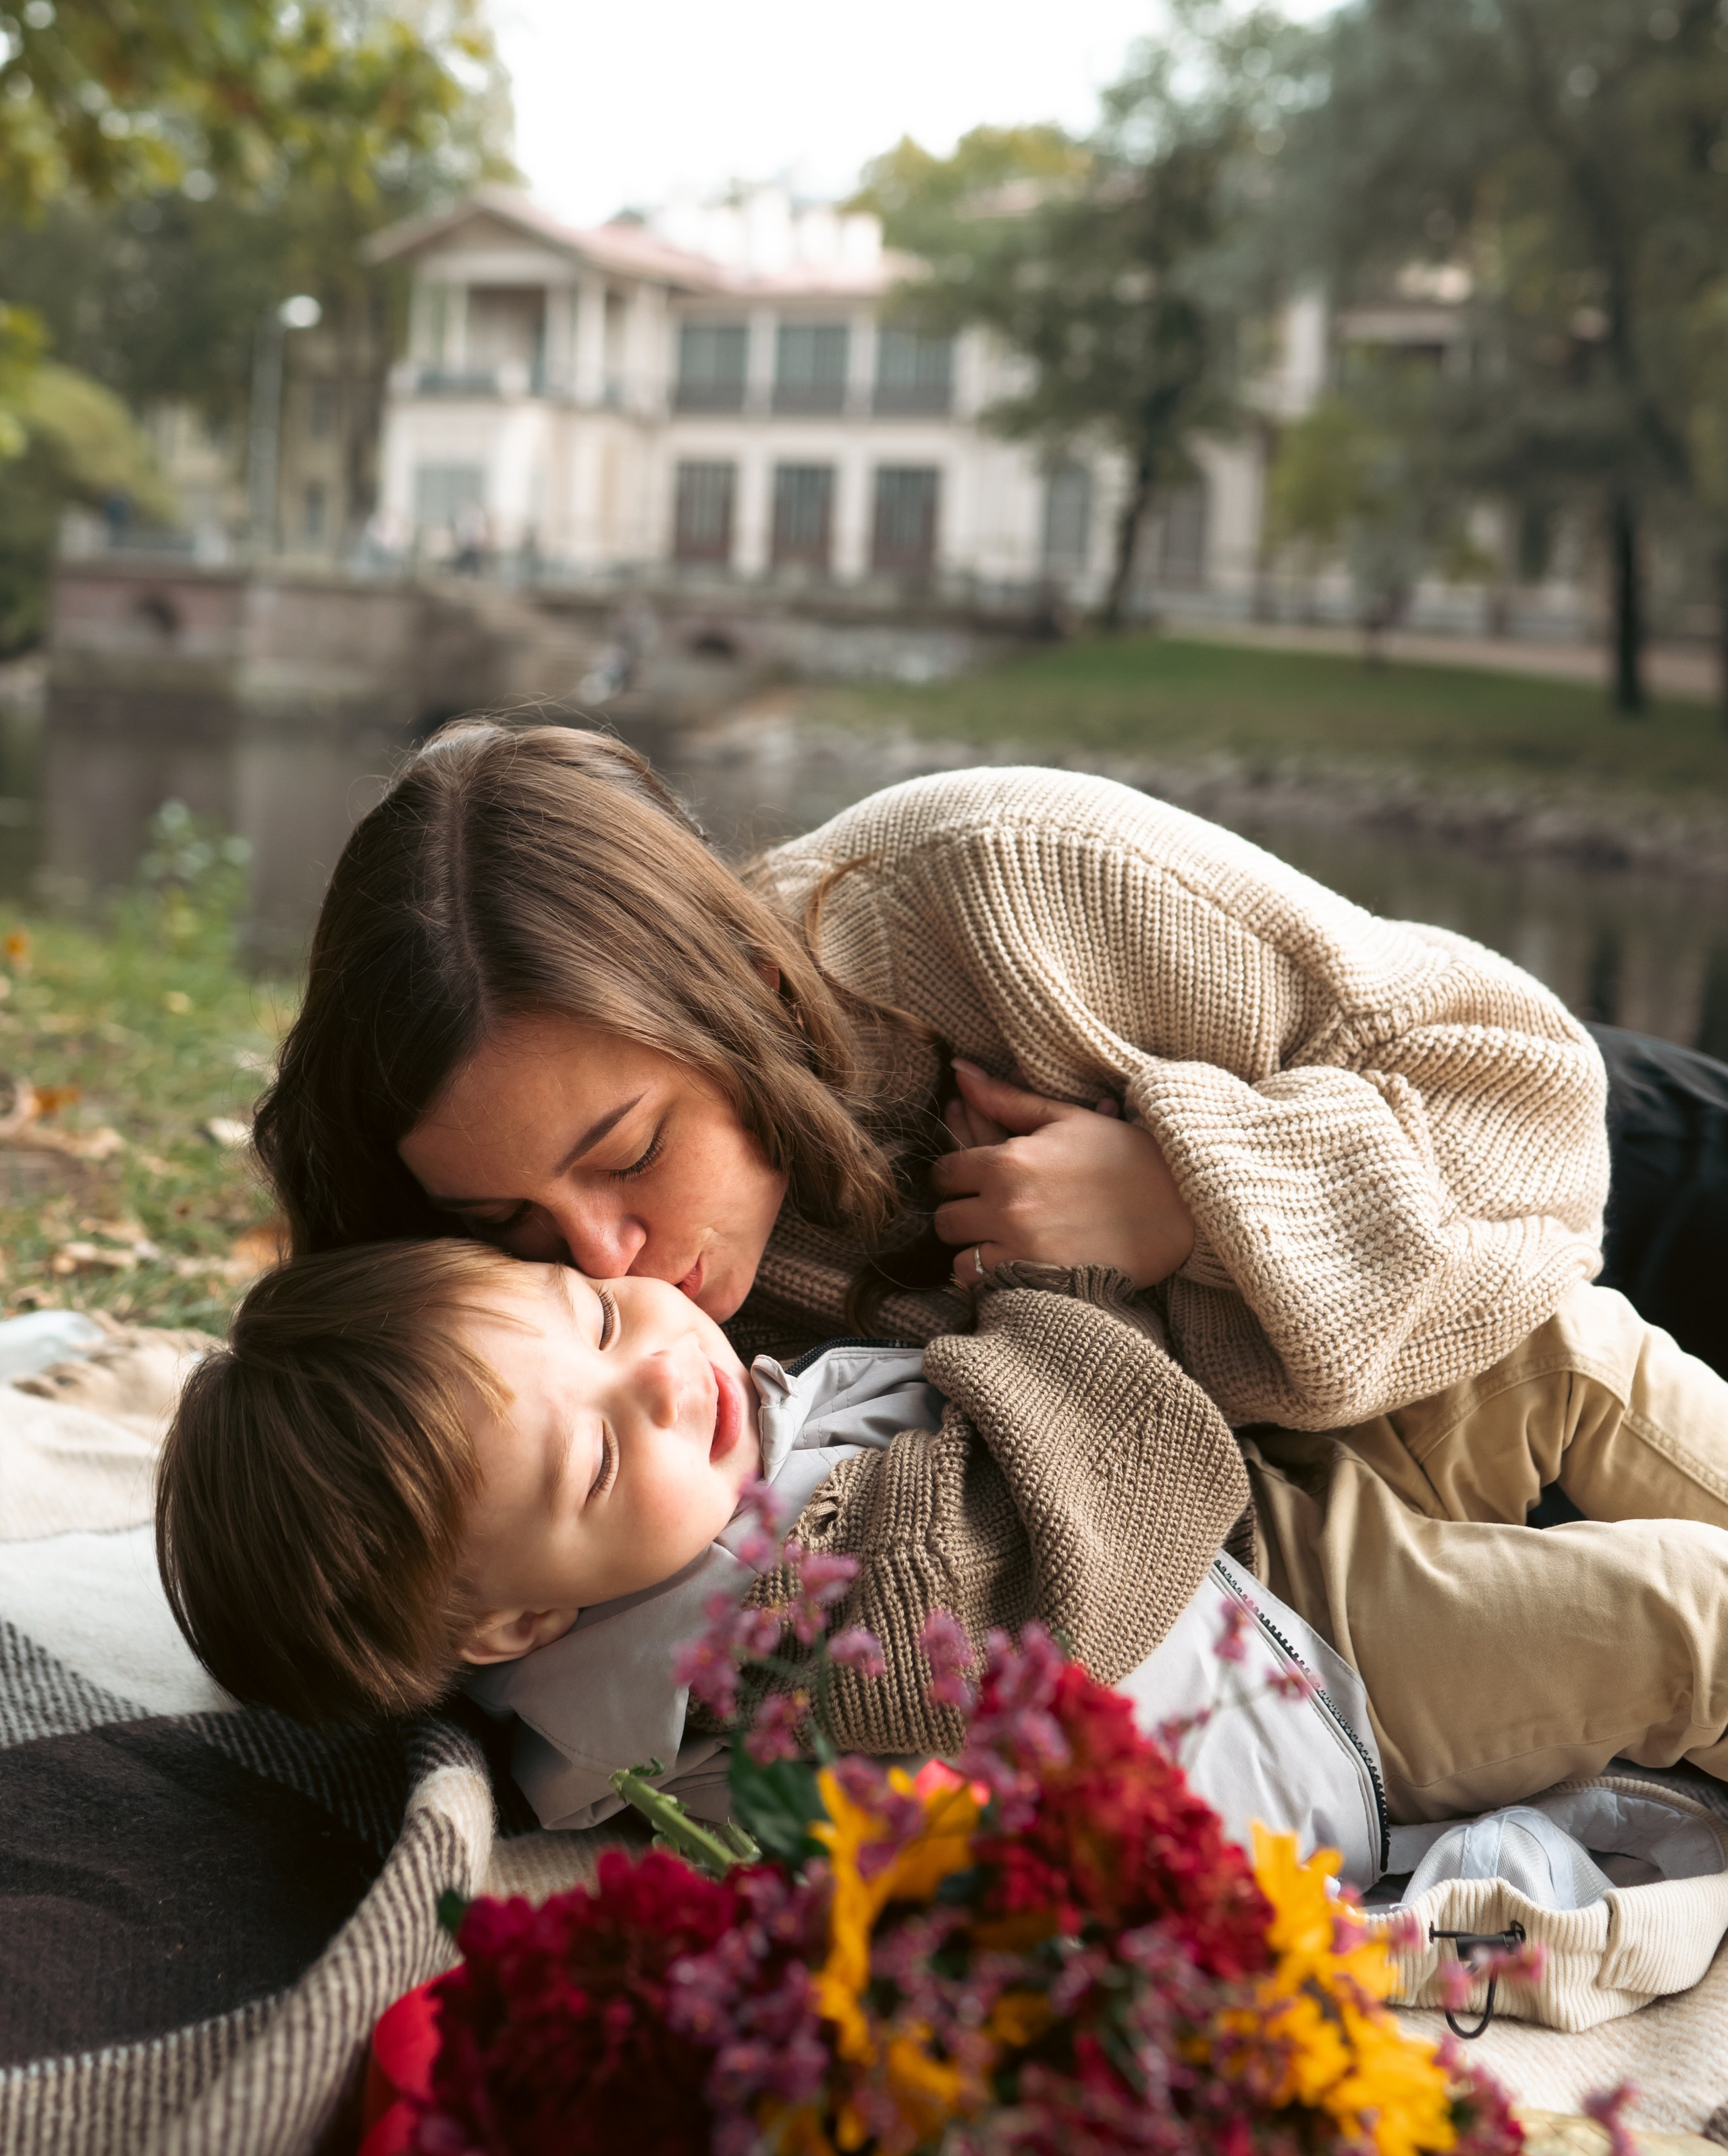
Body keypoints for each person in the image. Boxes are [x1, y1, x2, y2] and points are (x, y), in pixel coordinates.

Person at [247, 721, 1728, 1813]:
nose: (602, 1258)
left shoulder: (1002, 888)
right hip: (1277, 1513)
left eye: (630, 1151)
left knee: (1579, 1366)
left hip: (1514, 1197)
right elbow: (385, 1536)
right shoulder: (559, 1334)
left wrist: (1186, 1198)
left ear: (741, 995)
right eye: (511, 1223)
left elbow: (1532, 1112)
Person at [157, 1226, 1728, 1855]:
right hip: (1308, 1692)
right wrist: (1050, 1290)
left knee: (1551, 1349)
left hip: (1231, 1537)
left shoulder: (704, 1498)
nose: (657, 1369)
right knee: (1685, 1617)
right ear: (509, 1628)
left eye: (588, 1312)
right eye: (595, 1457)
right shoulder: (786, 1653)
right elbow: (1061, 1487)